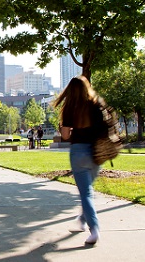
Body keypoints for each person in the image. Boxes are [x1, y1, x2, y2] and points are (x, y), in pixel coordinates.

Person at [53, 75, 107, 245]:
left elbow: (66, 136)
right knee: (88, 191)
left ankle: (94, 229)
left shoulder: (70, 108)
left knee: (86, 193)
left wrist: (63, 127)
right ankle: (82, 221)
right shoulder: (96, 105)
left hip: (78, 152)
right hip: (96, 153)